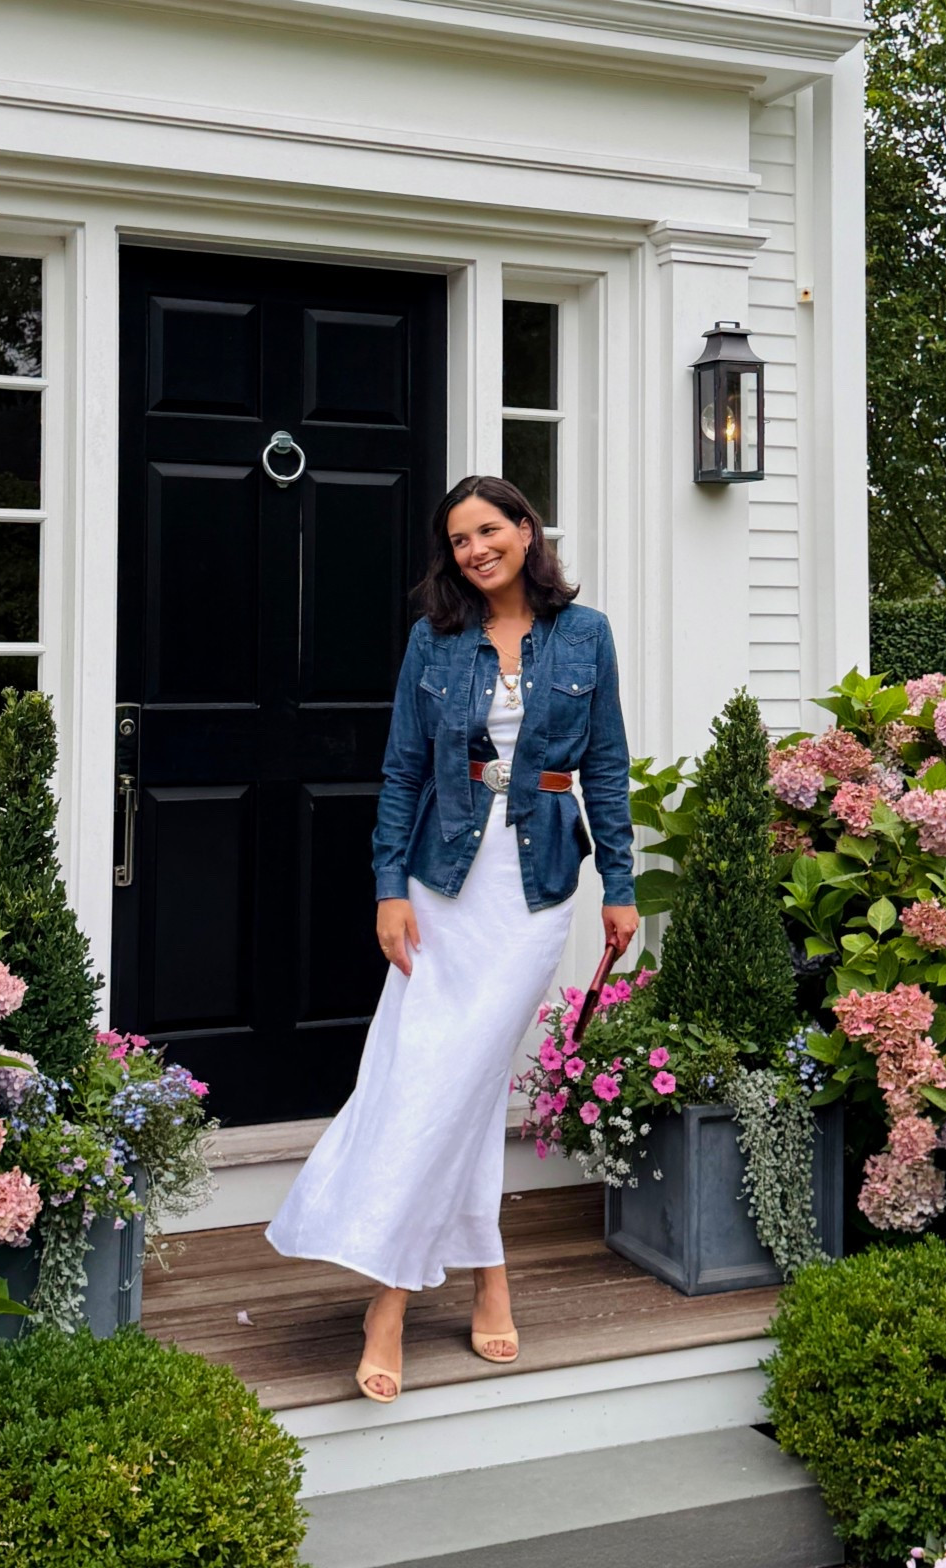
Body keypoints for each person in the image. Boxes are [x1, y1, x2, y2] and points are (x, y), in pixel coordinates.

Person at [265, 475, 639, 1402]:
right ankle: (484, 1277)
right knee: (439, 1077)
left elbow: (607, 768)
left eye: (490, 530)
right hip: (444, 884)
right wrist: (389, 889)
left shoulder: (585, 637)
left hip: (539, 886)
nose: (476, 549)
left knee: (459, 1078)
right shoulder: (433, 640)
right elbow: (400, 771)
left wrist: (619, 889)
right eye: (459, 539)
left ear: (525, 529)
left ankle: (389, 1301)